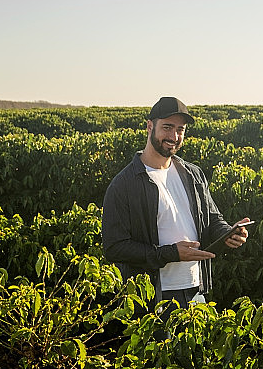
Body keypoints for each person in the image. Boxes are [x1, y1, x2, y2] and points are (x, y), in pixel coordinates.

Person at [102, 96, 249, 319]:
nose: (174, 136)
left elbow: (212, 217)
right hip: (154, 297)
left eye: (180, 130)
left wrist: (228, 233)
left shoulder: (193, 174)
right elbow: (114, 247)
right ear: (149, 126)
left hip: (195, 289)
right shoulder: (124, 184)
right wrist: (170, 253)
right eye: (167, 127)